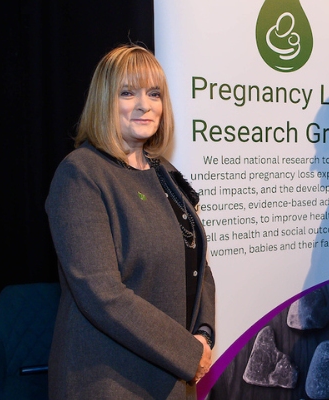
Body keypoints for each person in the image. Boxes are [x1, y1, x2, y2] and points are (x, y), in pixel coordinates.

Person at [45, 44, 215, 399]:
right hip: (111, 381)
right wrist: (189, 352)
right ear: (105, 100)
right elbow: (103, 294)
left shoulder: (165, 172)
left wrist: (204, 333)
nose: (144, 105)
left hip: (172, 378)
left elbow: (198, 260)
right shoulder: (80, 173)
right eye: (128, 93)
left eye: (154, 94)